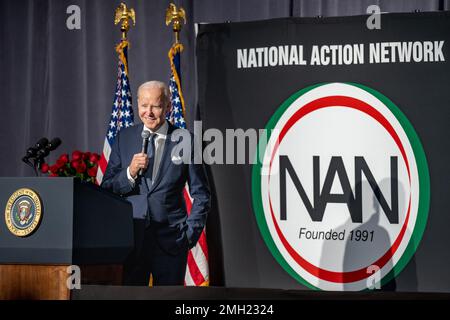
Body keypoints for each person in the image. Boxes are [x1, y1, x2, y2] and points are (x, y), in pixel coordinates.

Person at [101, 80, 210, 286]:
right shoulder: (124, 138)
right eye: (144, 105)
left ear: (168, 107)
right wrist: (130, 173)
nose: (148, 112)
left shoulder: (185, 140)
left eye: (156, 106)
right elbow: (107, 188)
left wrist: (188, 235)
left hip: (171, 243)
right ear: (138, 105)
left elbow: (202, 194)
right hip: (131, 242)